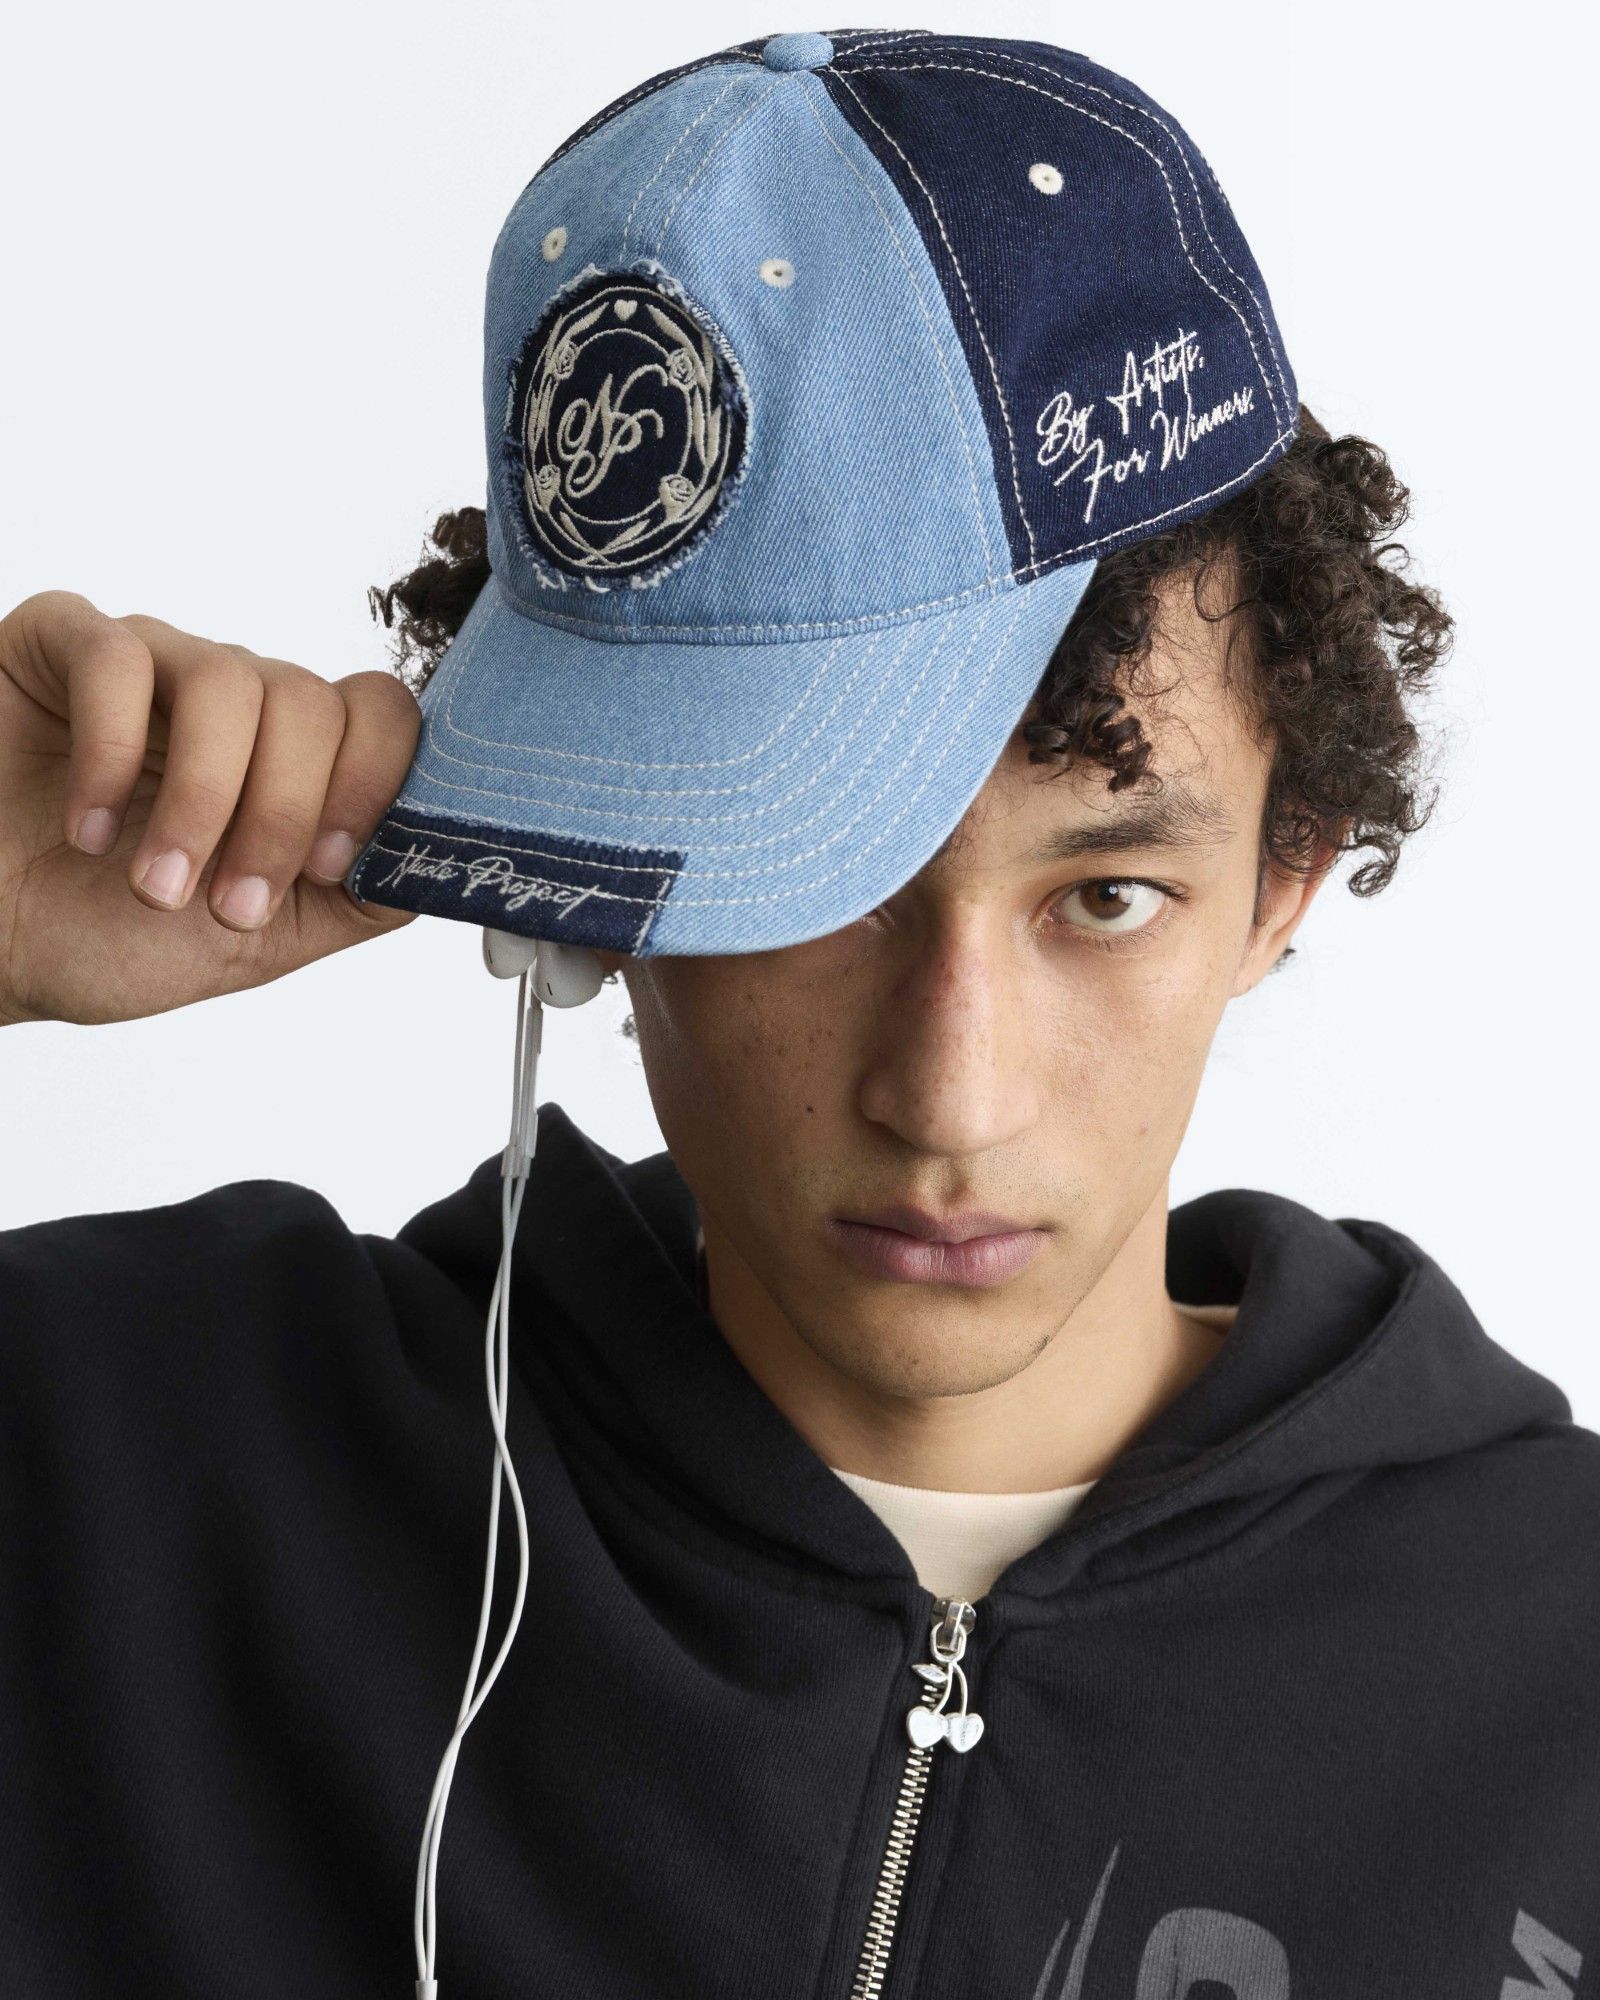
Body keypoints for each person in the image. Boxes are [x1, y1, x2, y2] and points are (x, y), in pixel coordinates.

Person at [3, 26, 1596, 2000]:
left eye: (1103, 896)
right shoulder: (120, 1468)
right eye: (819, 886)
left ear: (1284, 879)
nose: (952, 1092)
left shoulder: (1562, 1660)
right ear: (589, 883)